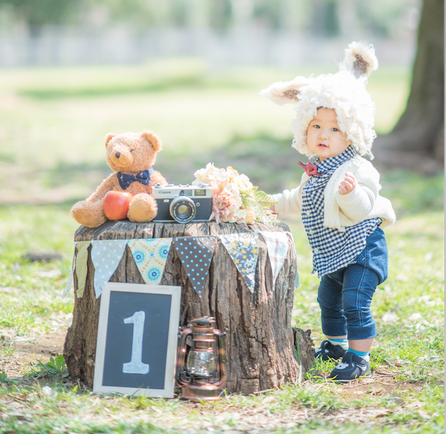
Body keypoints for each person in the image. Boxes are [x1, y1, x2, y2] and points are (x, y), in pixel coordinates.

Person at [260, 42, 396, 382]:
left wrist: (349, 194)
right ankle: (335, 344)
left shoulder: (357, 168)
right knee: (328, 299)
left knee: (354, 301)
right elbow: (299, 199)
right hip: (334, 251)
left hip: (363, 248)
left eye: (335, 128)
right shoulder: (316, 169)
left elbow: (363, 208)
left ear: (352, 133)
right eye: (316, 125)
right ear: (304, 128)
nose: (323, 134)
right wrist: (268, 203)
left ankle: (359, 355)